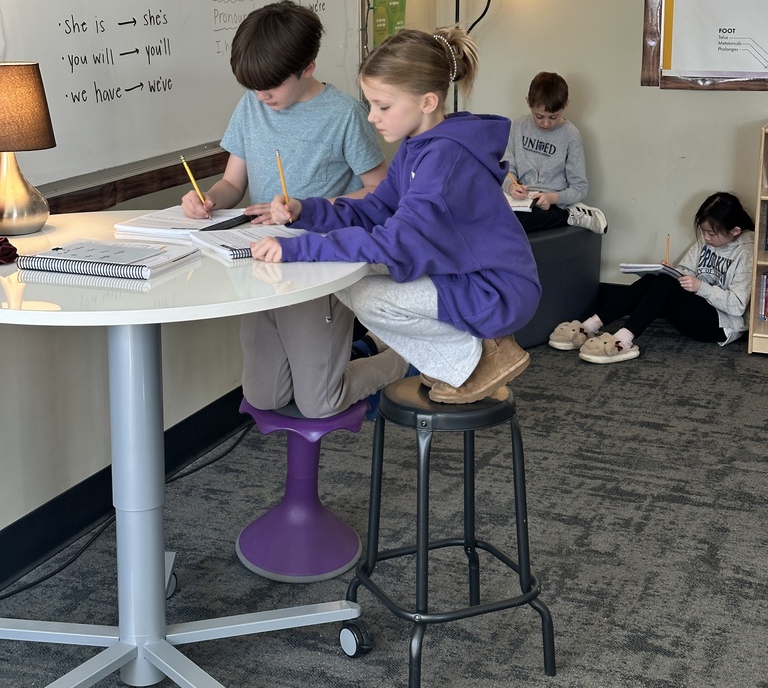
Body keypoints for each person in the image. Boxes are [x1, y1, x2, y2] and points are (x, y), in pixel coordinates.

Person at [248, 25, 541, 404]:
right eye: (371, 104)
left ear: (428, 102)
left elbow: (395, 242)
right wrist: (307, 211)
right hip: (459, 273)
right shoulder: (418, 147)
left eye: (383, 106)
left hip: (495, 290)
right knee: (347, 274)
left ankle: (482, 360)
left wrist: (300, 248)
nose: (372, 117)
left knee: (365, 293)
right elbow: (377, 210)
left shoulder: (444, 161)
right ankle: (473, 354)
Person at [181, 0, 406, 418]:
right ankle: (352, 349)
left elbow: (380, 193)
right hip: (258, 260)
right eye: (253, 87)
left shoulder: (344, 115)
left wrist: (308, 208)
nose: (261, 95)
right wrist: (209, 199)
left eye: (271, 86)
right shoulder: (252, 106)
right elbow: (233, 183)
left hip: (317, 264)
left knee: (319, 402)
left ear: (308, 68)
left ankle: (401, 357)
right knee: (264, 397)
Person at [548, 191, 755, 363]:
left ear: (735, 231)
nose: (706, 238)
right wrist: (673, 273)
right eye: (703, 231)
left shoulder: (747, 251)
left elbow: (737, 306)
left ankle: (622, 341)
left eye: (711, 233)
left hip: (721, 326)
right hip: (697, 307)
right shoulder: (706, 240)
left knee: (664, 284)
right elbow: (686, 270)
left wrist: (700, 287)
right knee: (654, 280)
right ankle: (590, 326)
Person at [503, 71, 607, 235]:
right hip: (521, 201)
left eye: (553, 117)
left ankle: (568, 214)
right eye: (539, 116)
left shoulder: (571, 136)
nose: (545, 123)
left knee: (516, 223)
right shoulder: (518, 126)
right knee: (486, 213)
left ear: (566, 105)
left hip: (551, 203)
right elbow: (507, 169)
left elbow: (579, 188)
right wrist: (511, 187)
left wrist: (552, 198)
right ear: (528, 102)